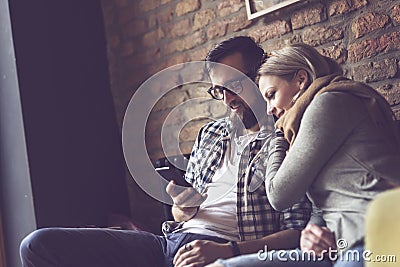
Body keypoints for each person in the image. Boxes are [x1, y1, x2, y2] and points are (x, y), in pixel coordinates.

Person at [19, 36, 311, 267]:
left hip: (223, 251)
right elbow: (181, 214)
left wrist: (227, 250)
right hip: (168, 241)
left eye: (234, 86)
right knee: (37, 244)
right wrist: (183, 207)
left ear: (258, 76)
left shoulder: (287, 137)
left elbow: (298, 232)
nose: (228, 100)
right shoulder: (211, 133)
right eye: (219, 91)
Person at [207, 43, 400, 267]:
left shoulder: (328, 102)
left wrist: (277, 134)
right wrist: (312, 229)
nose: (269, 109)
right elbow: (326, 198)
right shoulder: (307, 121)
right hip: (339, 245)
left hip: (377, 235)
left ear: (301, 80)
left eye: (271, 95)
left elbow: (279, 195)